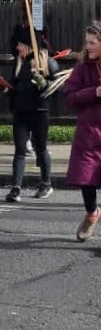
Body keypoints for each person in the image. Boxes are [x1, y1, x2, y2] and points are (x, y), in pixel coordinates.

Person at [3, 26, 58, 203]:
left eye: (20, 45)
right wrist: (6, 89)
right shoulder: (19, 63)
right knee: (19, 149)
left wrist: (44, 83)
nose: (18, 48)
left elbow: (58, 87)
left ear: (28, 45)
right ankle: (15, 188)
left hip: (40, 111)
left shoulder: (47, 61)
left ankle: (46, 183)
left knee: (40, 147)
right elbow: (14, 85)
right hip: (21, 112)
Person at [65, 22, 101, 241]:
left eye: (92, 42)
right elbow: (70, 98)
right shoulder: (81, 68)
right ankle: (92, 212)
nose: (87, 46)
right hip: (89, 135)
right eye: (86, 42)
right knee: (86, 180)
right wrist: (94, 92)